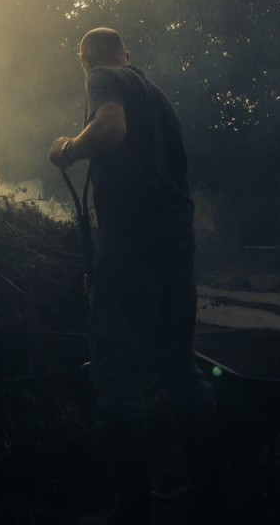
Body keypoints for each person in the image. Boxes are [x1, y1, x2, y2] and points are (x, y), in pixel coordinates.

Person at [49, 27, 223, 524]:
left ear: (85, 60)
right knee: (178, 365)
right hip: (175, 244)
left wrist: (68, 148)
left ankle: (133, 510)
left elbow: (110, 129)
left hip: (131, 248)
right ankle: (209, 495)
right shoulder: (159, 97)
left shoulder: (103, 78)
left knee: (116, 375)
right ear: (128, 53)